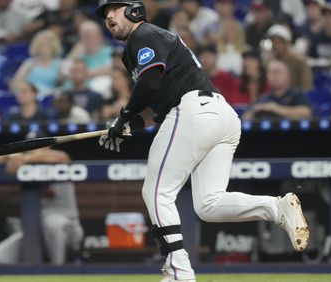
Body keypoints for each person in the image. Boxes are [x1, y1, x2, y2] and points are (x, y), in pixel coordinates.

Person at [95, 1, 310, 281]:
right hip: (219, 115)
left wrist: (122, 115)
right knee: (209, 205)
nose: (109, 16)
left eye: (115, 8)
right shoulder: (141, 46)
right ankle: (277, 208)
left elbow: (148, 85)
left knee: (156, 192)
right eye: (105, 13)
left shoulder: (144, 34)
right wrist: (127, 125)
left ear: (134, 10)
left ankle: (178, 273)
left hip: (192, 112)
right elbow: (154, 106)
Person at [0, 130, 84, 265]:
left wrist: (25, 158)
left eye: (36, 146)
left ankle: (58, 273)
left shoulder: (56, 160)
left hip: (68, 229)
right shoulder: (23, 166)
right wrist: (11, 155)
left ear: (47, 146)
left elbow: (62, 157)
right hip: (34, 231)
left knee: (52, 223)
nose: (31, 151)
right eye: (29, 147)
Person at [243, 60, 312, 121]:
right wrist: (256, 111)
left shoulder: (297, 94)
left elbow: (306, 112)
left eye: (277, 72)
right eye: (270, 73)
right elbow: (245, 117)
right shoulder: (264, 98)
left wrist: (276, 109)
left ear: (288, 76)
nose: (272, 76)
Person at [10, 29, 63, 94]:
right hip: (30, 95)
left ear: (54, 46)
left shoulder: (59, 64)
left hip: (50, 96)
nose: (44, 48)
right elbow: (15, 84)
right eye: (42, 45)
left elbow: (65, 85)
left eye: (47, 45)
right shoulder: (29, 63)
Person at [266, 24, 313, 92]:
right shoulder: (271, 62)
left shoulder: (300, 62)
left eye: (278, 42)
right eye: (273, 42)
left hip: (296, 99)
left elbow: (306, 87)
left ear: (287, 44)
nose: (275, 46)